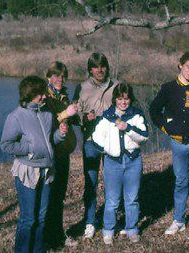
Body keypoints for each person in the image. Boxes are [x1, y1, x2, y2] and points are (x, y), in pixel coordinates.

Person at [0, 76, 67, 253]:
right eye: (40, 94)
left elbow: (49, 140)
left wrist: (60, 135)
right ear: (30, 94)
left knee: (42, 217)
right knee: (28, 219)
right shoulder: (16, 116)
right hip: (28, 171)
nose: (44, 96)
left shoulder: (46, 114)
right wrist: (29, 148)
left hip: (46, 170)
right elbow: (6, 144)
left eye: (44, 93)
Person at [149, 51, 189, 237]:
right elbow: (154, 109)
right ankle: (179, 219)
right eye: (188, 67)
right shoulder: (168, 88)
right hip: (178, 143)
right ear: (180, 65)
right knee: (181, 181)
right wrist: (165, 128)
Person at [92, 83, 149, 245]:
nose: (123, 102)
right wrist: (107, 149)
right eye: (120, 99)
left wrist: (127, 128)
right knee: (112, 200)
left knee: (132, 198)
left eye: (126, 98)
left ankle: (131, 229)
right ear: (115, 99)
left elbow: (144, 136)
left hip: (133, 161)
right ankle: (108, 230)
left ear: (130, 99)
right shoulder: (107, 116)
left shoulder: (136, 115)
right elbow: (96, 138)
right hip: (112, 163)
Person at [73, 52, 118, 239]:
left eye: (103, 66)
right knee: (91, 183)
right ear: (90, 69)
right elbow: (73, 115)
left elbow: (128, 109)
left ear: (106, 67)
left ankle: (110, 221)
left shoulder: (117, 86)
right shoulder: (81, 88)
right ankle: (90, 222)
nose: (100, 70)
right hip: (91, 142)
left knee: (112, 183)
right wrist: (84, 117)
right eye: (95, 66)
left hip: (112, 142)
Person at [43, 61, 78, 248]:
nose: (60, 79)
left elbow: (67, 119)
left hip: (64, 153)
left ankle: (57, 235)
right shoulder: (43, 96)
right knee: (49, 196)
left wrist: (78, 116)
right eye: (56, 75)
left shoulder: (63, 94)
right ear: (49, 76)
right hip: (51, 153)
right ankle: (47, 238)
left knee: (59, 196)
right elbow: (45, 123)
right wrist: (66, 112)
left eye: (63, 76)